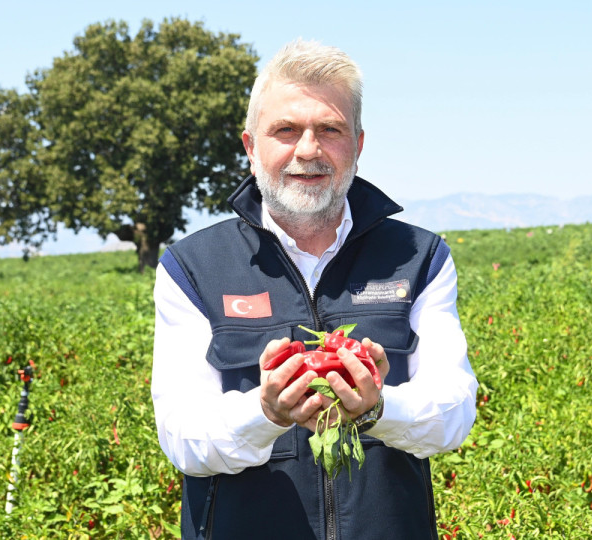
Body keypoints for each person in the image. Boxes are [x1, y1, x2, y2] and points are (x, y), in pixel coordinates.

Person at [151, 39, 479, 540]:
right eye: (285, 130)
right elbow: (182, 437)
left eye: (330, 129)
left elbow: (453, 411)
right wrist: (265, 412)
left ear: (358, 145)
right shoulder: (193, 267)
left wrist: (379, 408)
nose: (308, 149)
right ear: (251, 146)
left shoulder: (419, 258)